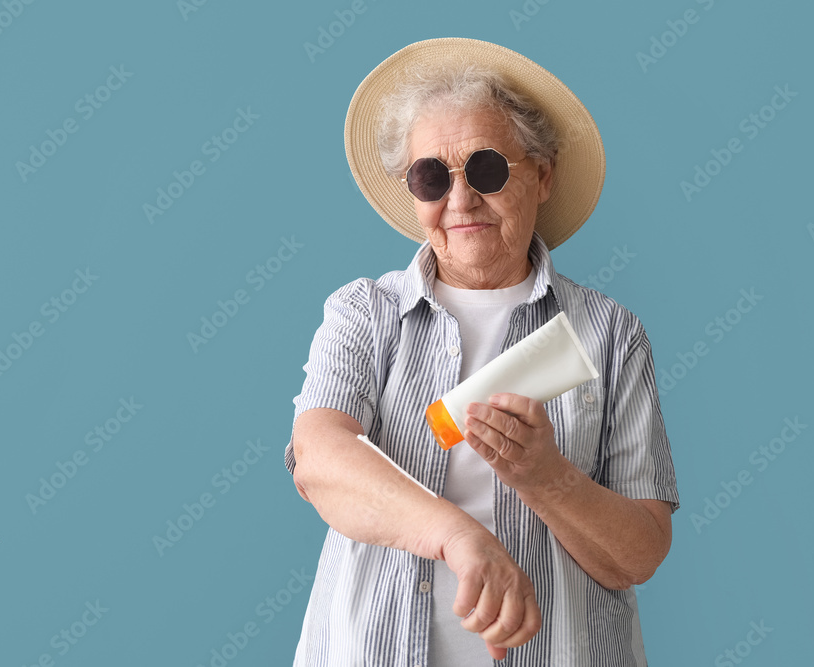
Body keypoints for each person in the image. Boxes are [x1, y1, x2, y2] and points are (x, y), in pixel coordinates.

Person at [284, 38, 680, 666]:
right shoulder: (365, 314)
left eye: (488, 170)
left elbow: (639, 554)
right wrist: (461, 538)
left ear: (542, 175)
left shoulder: (607, 333)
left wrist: (547, 477)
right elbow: (320, 461)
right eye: (432, 176)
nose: (461, 200)